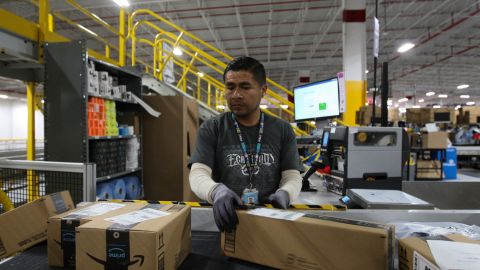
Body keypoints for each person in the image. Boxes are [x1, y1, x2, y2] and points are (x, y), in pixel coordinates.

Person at [188, 56, 303, 232]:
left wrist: (286, 193)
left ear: (263, 90)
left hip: (271, 221)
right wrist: (216, 191)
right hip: (226, 221)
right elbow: (197, 174)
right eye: (230, 87)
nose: (236, 95)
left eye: (245, 87)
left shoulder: (282, 129)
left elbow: (292, 176)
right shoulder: (212, 128)